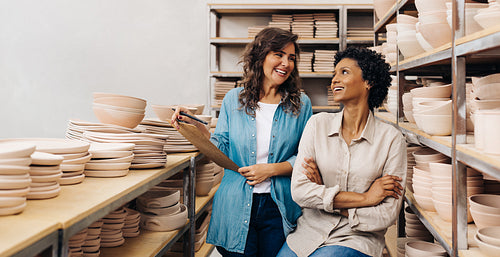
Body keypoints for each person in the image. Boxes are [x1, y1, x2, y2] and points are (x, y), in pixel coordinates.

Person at [171, 27, 313, 257]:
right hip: (235, 204)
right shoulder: (233, 100)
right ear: (260, 55)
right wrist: (197, 128)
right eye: (278, 54)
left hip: (279, 207)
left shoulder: (302, 105)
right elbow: (222, 148)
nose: (286, 63)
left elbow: (308, 157)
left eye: (291, 58)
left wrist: (270, 170)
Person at [277, 47, 407, 257]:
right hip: (308, 234)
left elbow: (386, 214)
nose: (334, 80)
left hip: (357, 238)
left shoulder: (391, 139)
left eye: (344, 72)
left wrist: (325, 197)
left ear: (368, 82)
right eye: (334, 74)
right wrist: (366, 198)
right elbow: (300, 191)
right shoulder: (317, 124)